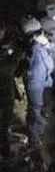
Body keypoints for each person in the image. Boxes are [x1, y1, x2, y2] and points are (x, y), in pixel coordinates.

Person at [22, 17, 55, 152]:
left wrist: (46, 44)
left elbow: (52, 52)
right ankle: (35, 140)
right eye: (39, 32)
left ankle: (41, 135)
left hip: (44, 81)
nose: (42, 34)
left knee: (41, 110)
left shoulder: (40, 45)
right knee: (36, 110)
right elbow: (33, 74)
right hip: (36, 85)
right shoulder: (32, 50)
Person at [0, 26, 19, 158]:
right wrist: (13, 55)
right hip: (5, 95)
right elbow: (13, 68)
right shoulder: (6, 63)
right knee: (4, 123)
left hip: (6, 93)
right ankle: (5, 152)